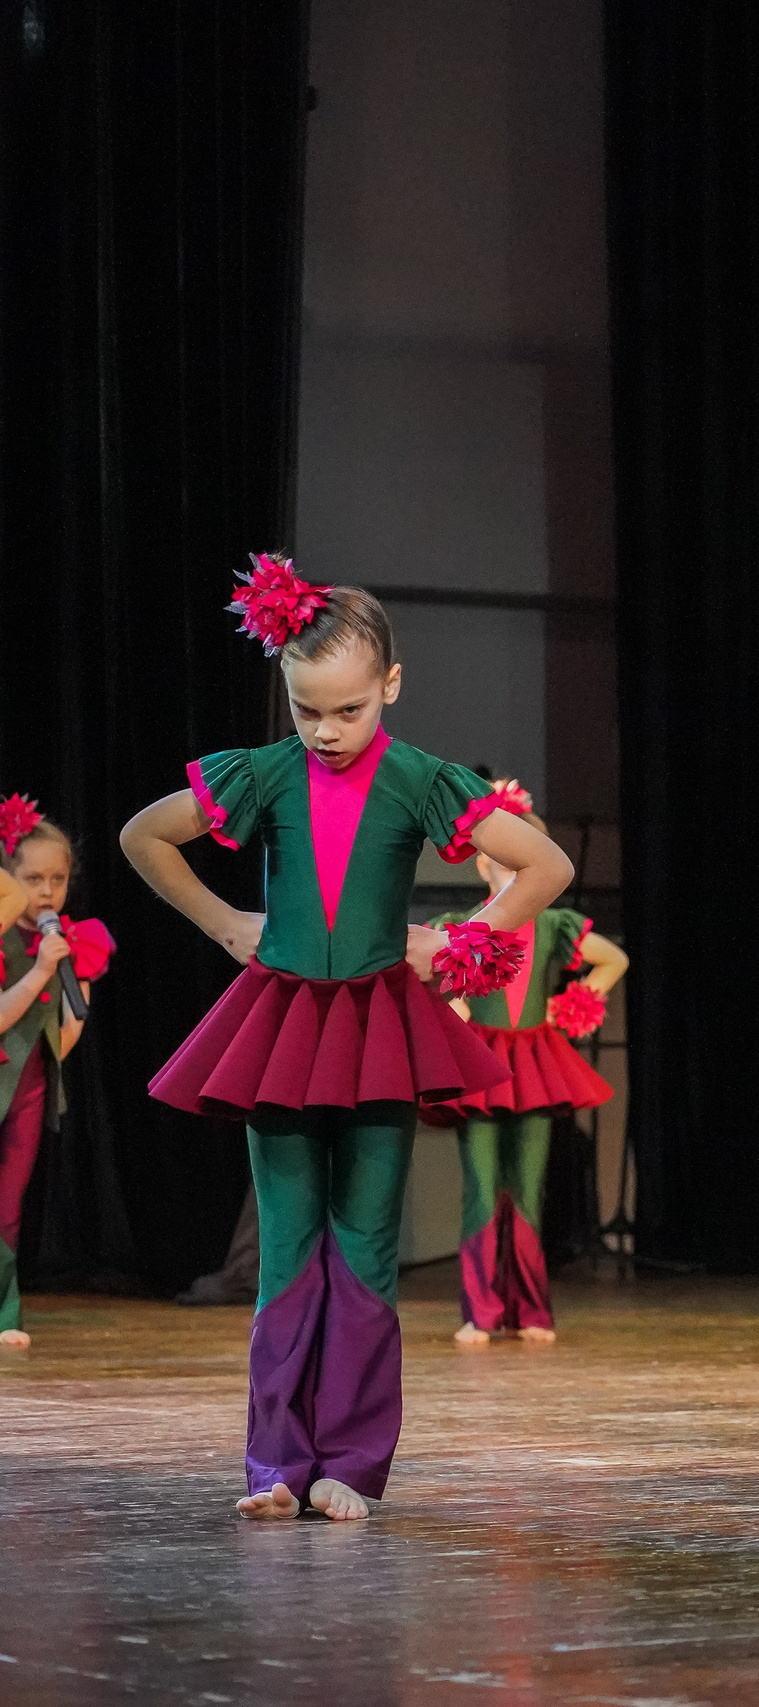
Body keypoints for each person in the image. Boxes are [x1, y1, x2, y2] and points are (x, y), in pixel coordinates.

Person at [121, 557, 573, 1520]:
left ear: (391, 688)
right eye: (307, 711)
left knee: (364, 1248)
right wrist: (228, 924)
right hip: (282, 1028)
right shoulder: (268, 772)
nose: (326, 732)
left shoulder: (420, 779)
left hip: (377, 1030)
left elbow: (546, 864)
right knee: (286, 1248)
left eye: (348, 711)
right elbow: (143, 837)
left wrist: (455, 940)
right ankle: (274, 1465)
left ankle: (352, 1465)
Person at [428, 781, 626, 1343]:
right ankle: (480, 1312)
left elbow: (613, 958)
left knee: (529, 1188)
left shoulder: (550, 926)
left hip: (534, 1066)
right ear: (482, 864)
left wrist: (572, 1006)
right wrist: (452, 1001)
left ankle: (533, 1310)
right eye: (503, 858)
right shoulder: (463, 925)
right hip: (482, 1067)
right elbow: (421, 975)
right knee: (484, 1186)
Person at [0, 803, 112, 1347]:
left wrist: (61, 971)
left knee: (7, 1205)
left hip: (28, 1088)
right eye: (32, 879)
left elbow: (70, 1025)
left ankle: (4, 1314)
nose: (46, 891)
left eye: (58, 879)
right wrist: (40, 969)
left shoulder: (72, 943)